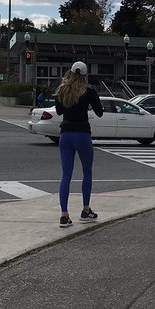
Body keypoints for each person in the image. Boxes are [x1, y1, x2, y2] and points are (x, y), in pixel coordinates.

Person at [53, 61, 104, 227]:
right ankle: (85, 209)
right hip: (82, 134)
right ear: (84, 75)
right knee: (87, 172)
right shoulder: (88, 91)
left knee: (66, 175)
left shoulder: (62, 89)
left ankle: (64, 215)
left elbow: (60, 111)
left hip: (65, 134)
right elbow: (100, 112)